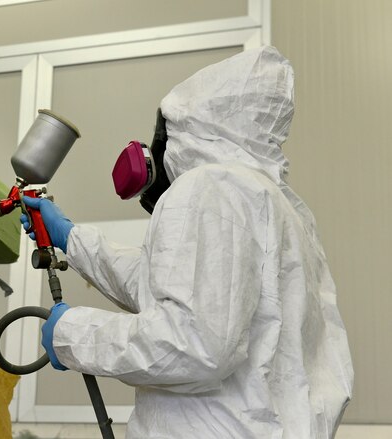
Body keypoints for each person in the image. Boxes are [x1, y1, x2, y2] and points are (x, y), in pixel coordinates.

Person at [23, 47, 354, 438]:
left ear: (185, 129)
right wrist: (73, 240)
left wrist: (72, 334)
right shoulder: (277, 206)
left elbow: (194, 343)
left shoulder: (208, 186)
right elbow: (176, 290)